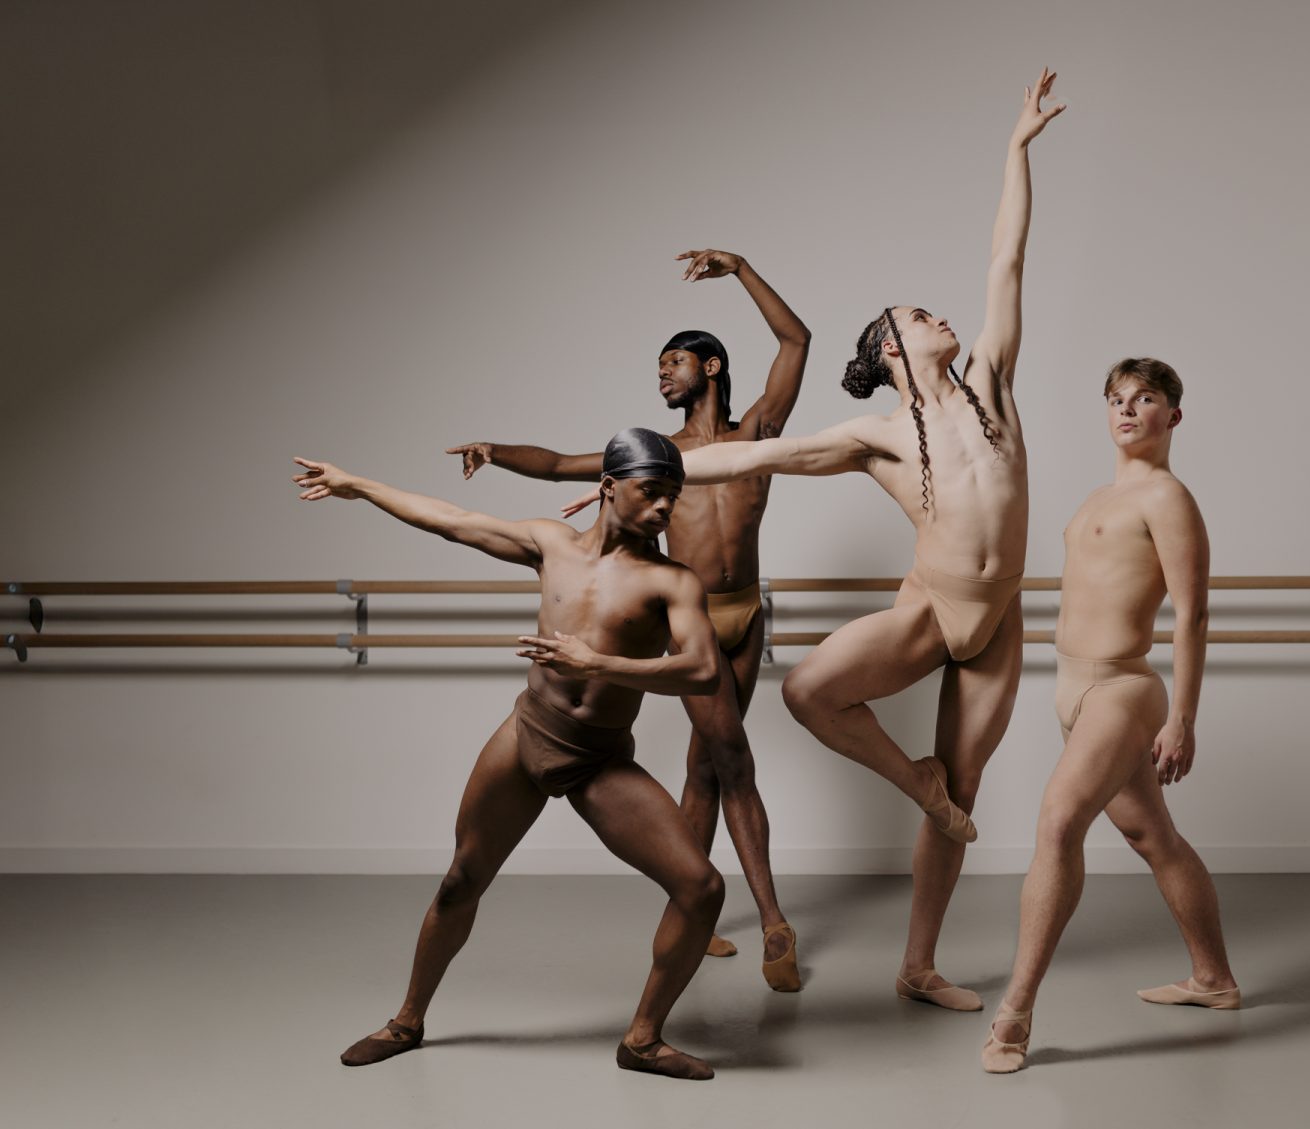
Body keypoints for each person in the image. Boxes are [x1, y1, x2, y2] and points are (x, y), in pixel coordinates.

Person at [573, 73, 1065, 1012]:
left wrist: (1017, 148)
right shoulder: (877, 436)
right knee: (806, 692)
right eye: (919, 317)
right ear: (891, 351)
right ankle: (911, 778)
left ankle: (919, 963)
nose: (940, 318)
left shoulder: (993, 385)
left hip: (998, 623)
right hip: (931, 609)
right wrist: (623, 476)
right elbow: (752, 453)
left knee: (959, 799)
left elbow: (1008, 260)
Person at [293, 428, 727, 1081]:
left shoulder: (671, 582)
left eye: (674, 496)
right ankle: (408, 1019)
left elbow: (700, 670)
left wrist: (598, 660)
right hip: (526, 735)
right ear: (609, 488)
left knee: (701, 887)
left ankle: (641, 1039)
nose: (666, 508)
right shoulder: (550, 545)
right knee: (460, 879)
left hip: (599, 759)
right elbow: (454, 521)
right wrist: (359, 486)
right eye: (652, 491)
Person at [448, 249, 809, 988]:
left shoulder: (759, 433)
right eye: (657, 367)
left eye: (673, 362)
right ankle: (774, 921)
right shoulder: (658, 458)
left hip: (748, 614)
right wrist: (496, 450)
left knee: (706, 766)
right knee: (731, 758)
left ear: (711, 367)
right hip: (691, 617)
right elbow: (556, 466)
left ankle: (696, 908)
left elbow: (796, 341)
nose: (661, 375)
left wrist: (740, 270)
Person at [982, 358, 1240, 1074]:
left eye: (1146, 399)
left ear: (1173, 416)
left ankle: (1014, 1014)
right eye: (1117, 399)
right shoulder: (1099, 495)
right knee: (1153, 836)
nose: (1128, 410)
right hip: (1071, 689)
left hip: (1123, 689)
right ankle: (1214, 978)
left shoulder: (1168, 498)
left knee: (1058, 821)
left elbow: (1193, 614)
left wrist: (1182, 717)